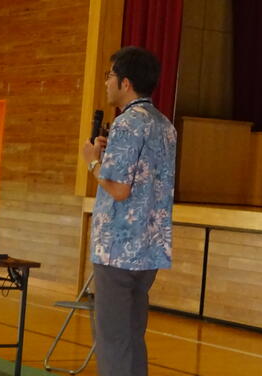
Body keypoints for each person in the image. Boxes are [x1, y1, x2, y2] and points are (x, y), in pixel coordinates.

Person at [81, 46, 177, 376]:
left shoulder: (126, 123)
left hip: (117, 250)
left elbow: (120, 189)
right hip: (148, 249)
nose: (106, 83)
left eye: (110, 76)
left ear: (125, 83)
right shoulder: (165, 125)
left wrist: (92, 161)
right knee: (133, 337)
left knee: (113, 340)